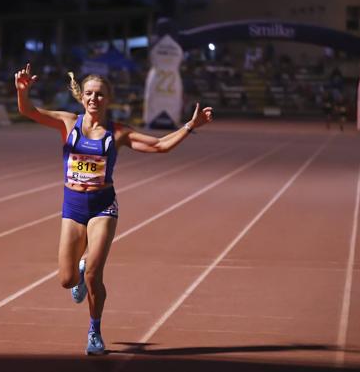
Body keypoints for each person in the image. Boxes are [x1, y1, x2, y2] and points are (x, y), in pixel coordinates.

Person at [15, 63, 213, 356]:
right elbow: (29, 112)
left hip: (102, 206)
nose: (95, 99)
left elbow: (159, 146)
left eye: (100, 95)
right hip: (72, 205)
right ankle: (78, 275)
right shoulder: (68, 123)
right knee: (66, 280)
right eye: (90, 94)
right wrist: (22, 92)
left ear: (108, 99)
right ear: (82, 98)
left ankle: (94, 331)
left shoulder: (117, 133)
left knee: (96, 273)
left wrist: (188, 127)